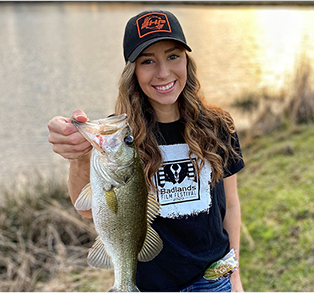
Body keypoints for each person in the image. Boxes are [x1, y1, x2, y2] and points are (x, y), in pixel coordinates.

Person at [48, 10, 245, 293]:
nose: (163, 72)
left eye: (173, 56)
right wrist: (79, 156)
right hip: (149, 286)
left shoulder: (219, 126)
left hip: (213, 279)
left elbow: (232, 204)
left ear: (187, 61)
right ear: (133, 71)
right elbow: (87, 211)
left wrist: (234, 270)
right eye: (148, 61)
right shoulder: (118, 136)